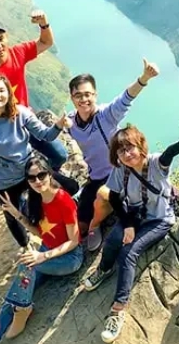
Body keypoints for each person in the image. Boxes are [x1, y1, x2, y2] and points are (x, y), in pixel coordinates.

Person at [83, 121, 179, 343]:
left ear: (140, 146)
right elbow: (115, 198)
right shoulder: (121, 170)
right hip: (135, 214)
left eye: (130, 147)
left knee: (128, 253)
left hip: (159, 219)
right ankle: (104, 269)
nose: (127, 154)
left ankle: (118, 310)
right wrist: (127, 224)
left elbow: (169, 154)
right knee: (113, 240)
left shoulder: (156, 163)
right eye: (121, 151)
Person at [0, 74, 77, 248]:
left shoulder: (21, 113)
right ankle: (24, 246)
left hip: (30, 171)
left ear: (9, 94)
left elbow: (45, 135)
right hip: (4, 180)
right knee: (13, 218)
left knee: (71, 187)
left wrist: (59, 125)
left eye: (1, 90)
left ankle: (64, 217)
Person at [0, 157, 83, 344]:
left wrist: (43, 256)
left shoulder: (63, 200)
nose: (37, 181)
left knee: (27, 264)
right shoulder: (35, 200)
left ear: (49, 174)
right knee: (16, 289)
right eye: (31, 178)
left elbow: (74, 241)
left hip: (69, 258)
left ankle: (24, 311)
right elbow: (41, 232)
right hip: (47, 254)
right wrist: (16, 214)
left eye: (41, 175)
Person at [67, 58, 160, 251]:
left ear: (95, 94)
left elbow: (126, 98)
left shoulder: (106, 115)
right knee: (78, 223)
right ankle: (87, 222)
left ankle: (95, 225)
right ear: (72, 98)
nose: (83, 100)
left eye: (88, 94)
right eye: (78, 95)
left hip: (121, 174)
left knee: (103, 197)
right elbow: (48, 133)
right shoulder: (71, 122)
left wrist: (144, 78)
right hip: (96, 177)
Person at [0, 10, 69, 171]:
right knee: (16, 168)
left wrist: (43, 23)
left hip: (24, 121)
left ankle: (43, 177)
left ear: (7, 37)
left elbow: (46, 42)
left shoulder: (17, 53)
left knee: (60, 155)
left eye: (1, 39)